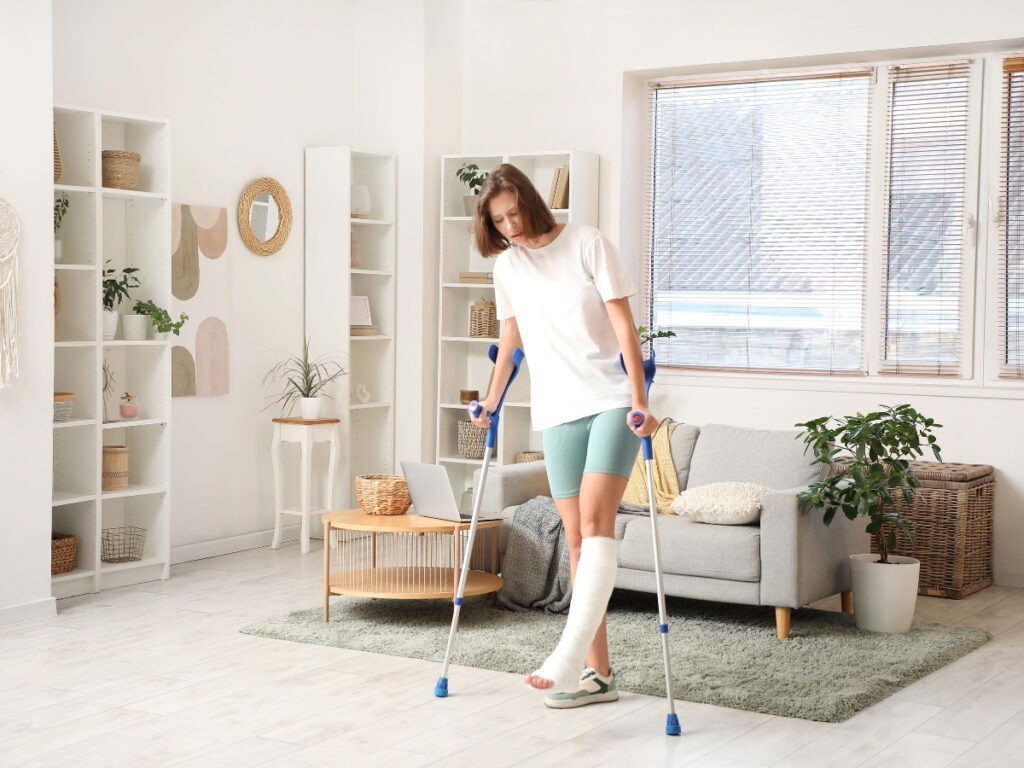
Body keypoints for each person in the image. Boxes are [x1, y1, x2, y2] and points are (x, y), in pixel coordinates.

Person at [469, 163, 656, 709]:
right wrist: (491, 399)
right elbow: (511, 342)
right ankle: (598, 675)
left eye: (514, 213)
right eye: (498, 221)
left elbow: (625, 327)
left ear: (530, 201)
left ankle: (568, 656)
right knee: (575, 539)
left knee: (598, 523)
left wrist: (641, 399)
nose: (510, 227)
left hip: (611, 402)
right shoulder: (508, 270)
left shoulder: (586, 244)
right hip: (556, 410)